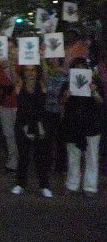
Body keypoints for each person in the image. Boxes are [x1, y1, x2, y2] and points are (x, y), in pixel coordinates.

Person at [61, 58, 104, 196]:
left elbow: (101, 101)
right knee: (73, 155)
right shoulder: (67, 84)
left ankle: (90, 186)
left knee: (91, 156)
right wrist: (66, 96)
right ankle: (72, 184)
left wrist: (94, 92)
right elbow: (61, 102)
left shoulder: (95, 82)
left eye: (83, 68)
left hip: (91, 125)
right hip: (73, 125)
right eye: (77, 68)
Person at [10, 65, 53, 198]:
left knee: (40, 156)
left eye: (33, 70)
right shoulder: (19, 85)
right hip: (22, 124)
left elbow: (46, 73)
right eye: (27, 70)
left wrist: (43, 59)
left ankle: (44, 186)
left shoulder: (42, 84)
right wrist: (12, 60)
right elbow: (12, 73)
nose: (30, 73)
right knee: (23, 155)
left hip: (39, 124)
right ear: (23, 72)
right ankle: (20, 184)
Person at [0, 39, 19, 172]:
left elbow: (15, 82)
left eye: (11, 47)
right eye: (7, 48)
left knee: (18, 131)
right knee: (8, 133)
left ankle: (20, 158)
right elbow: (0, 82)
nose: (9, 50)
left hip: (17, 102)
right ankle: (13, 159)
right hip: (4, 103)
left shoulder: (20, 63)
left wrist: (11, 67)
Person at [42, 57, 68, 173]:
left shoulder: (66, 75)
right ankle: (47, 164)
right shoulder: (49, 74)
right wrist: (42, 59)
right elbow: (45, 78)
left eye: (56, 59)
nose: (54, 61)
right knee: (48, 139)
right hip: (49, 110)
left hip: (61, 112)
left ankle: (60, 167)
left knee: (61, 140)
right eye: (52, 59)